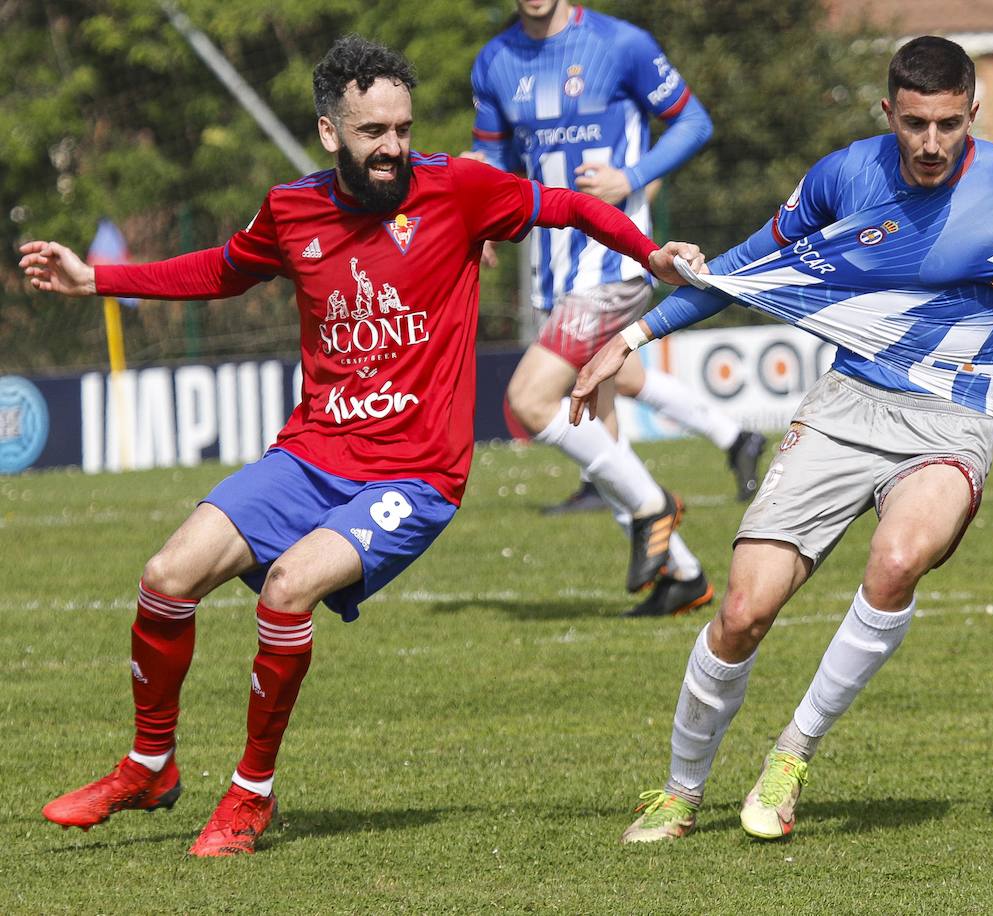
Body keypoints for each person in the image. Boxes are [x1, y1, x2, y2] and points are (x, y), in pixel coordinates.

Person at [19, 35, 702, 857]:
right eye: (374, 131)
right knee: (167, 575)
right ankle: (149, 765)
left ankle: (250, 794)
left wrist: (650, 253)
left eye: (402, 128)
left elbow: (571, 206)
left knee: (288, 589)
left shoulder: (458, 190)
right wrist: (99, 279)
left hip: (417, 477)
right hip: (308, 456)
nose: (393, 148)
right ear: (329, 133)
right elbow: (220, 272)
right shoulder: (290, 209)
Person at [569, 36, 993, 842]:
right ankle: (679, 792)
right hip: (845, 408)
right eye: (914, 123)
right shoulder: (844, 176)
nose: (930, 144)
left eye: (948, 125)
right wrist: (633, 339)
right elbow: (744, 271)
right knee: (743, 610)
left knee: (895, 560)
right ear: (888, 112)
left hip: (947, 423)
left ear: (972, 114)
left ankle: (791, 756)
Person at [468, 0, 764, 617]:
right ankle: (682, 574)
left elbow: (694, 123)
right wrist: (481, 224)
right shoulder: (495, 62)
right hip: (552, 272)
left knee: (527, 399)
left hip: (613, 266)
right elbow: (492, 162)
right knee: (594, 421)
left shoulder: (621, 44)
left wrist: (632, 175)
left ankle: (655, 504)